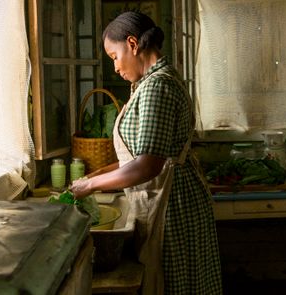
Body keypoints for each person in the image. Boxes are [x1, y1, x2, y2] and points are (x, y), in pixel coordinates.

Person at [70, 11, 223, 295]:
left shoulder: (157, 86)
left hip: (173, 203)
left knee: (175, 285)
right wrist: (95, 175)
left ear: (132, 44)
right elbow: (135, 157)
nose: (115, 67)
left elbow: (148, 166)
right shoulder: (150, 83)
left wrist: (90, 185)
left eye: (114, 56)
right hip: (169, 193)